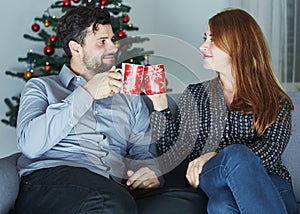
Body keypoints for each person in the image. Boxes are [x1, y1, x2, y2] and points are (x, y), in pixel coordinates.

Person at [14, 6, 207, 214]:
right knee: (110, 201)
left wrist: (150, 172)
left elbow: (143, 151)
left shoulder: (128, 97)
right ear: (76, 48)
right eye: (102, 42)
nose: (114, 48)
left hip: (112, 188)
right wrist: (87, 92)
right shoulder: (41, 87)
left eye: (112, 40)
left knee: (191, 202)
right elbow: (30, 145)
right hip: (53, 180)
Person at [149, 8, 298, 213]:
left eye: (213, 40)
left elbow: (270, 153)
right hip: (211, 177)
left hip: (270, 180)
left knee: (222, 205)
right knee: (237, 154)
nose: (203, 46)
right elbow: (172, 153)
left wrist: (212, 154)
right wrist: (159, 105)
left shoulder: (274, 99)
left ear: (238, 45)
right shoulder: (196, 94)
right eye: (204, 38)